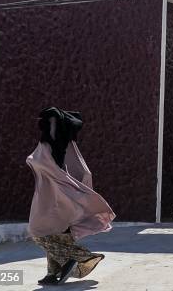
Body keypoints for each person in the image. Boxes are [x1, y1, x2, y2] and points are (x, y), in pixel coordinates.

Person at [27, 107, 116, 285]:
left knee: (38, 232)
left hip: (57, 200)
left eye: (52, 122)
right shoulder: (61, 147)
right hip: (57, 199)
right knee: (57, 234)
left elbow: (42, 162)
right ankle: (52, 274)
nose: (48, 126)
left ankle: (81, 256)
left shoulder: (54, 146)